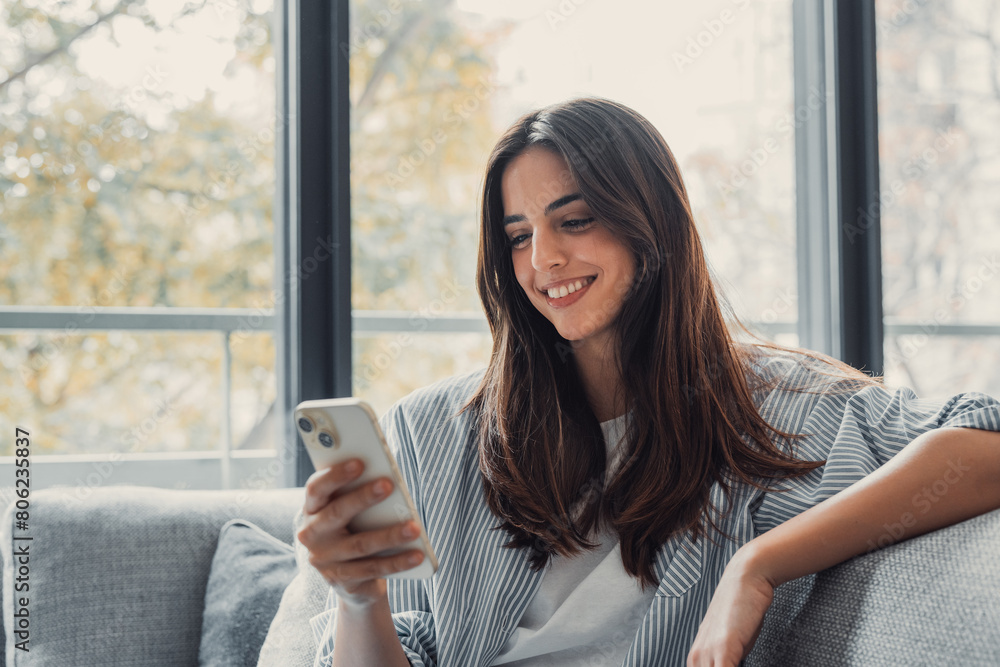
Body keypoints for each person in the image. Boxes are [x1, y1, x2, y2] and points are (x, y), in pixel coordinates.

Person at [297, 97, 1000, 667]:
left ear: (652, 224)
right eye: (517, 235)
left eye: (574, 220)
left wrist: (758, 564)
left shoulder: (770, 408)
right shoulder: (435, 431)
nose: (543, 259)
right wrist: (360, 600)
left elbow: (985, 437)